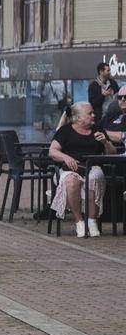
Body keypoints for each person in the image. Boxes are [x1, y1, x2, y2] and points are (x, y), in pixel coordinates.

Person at [49, 101, 117, 237]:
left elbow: (113, 154)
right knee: (71, 182)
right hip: (71, 168)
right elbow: (52, 151)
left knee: (95, 178)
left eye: (93, 112)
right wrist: (66, 157)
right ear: (78, 117)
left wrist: (105, 142)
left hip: (93, 167)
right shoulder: (66, 131)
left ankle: (92, 220)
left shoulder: (98, 130)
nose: (94, 115)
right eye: (90, 113)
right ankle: (79, 221)